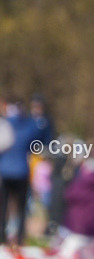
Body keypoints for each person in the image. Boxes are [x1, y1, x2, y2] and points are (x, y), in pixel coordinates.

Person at [0, 97, 48, 245]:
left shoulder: (5, 125)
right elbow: (35, 144)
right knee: (21, 208)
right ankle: (20, 238)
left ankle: (2, 237)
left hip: (5, 171)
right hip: (21, 171)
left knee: (3, 207)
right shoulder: (29, 126)